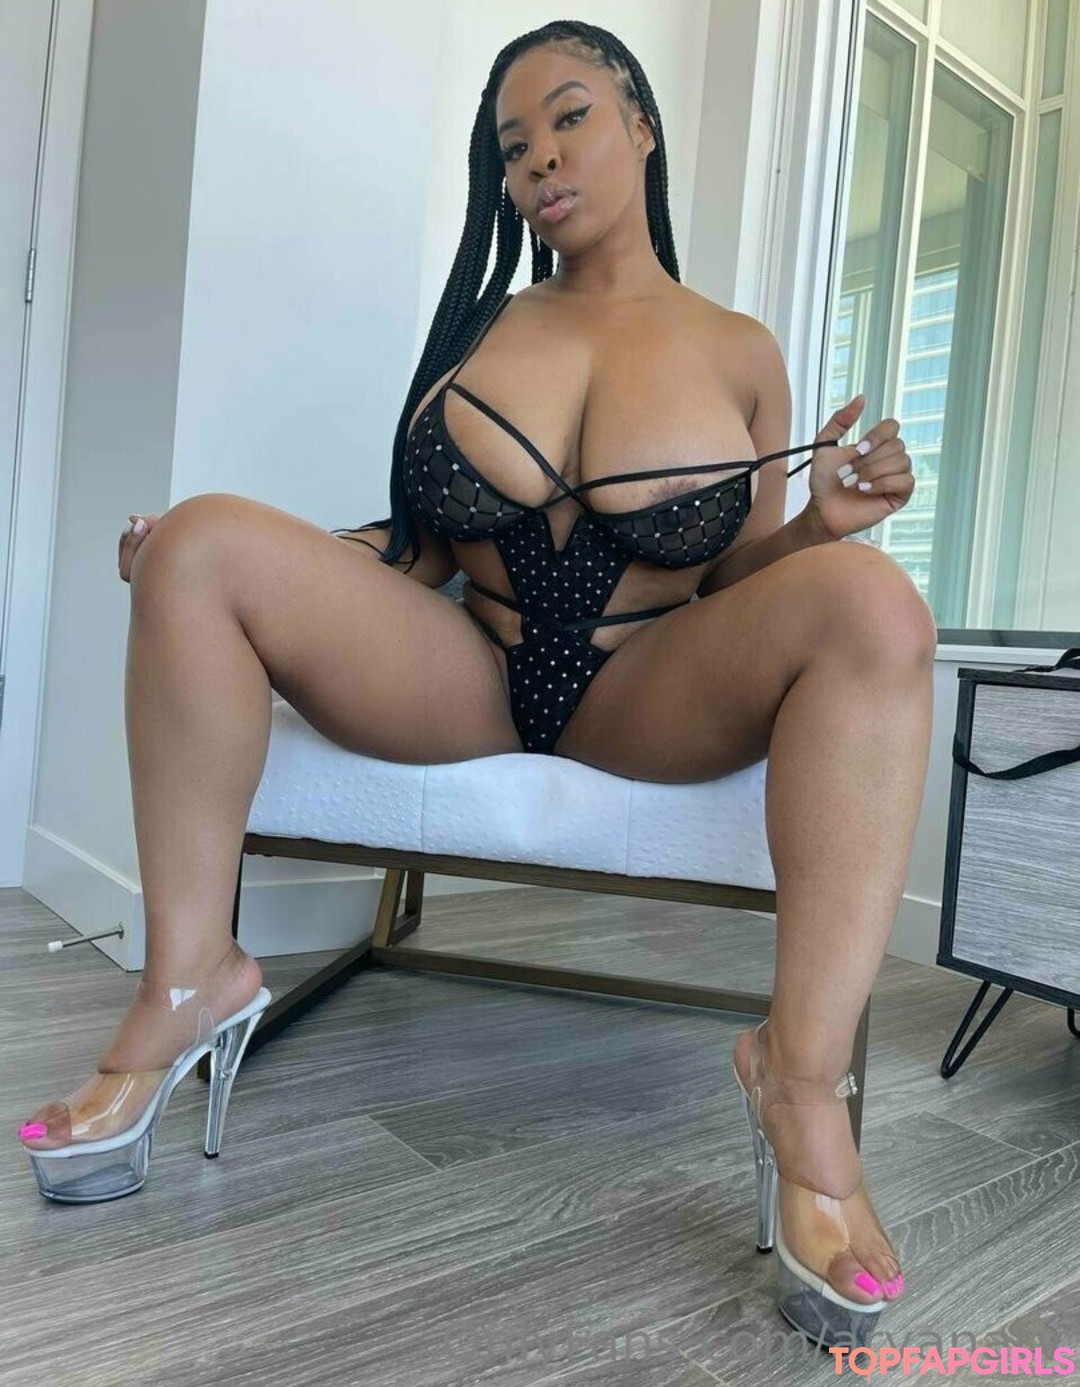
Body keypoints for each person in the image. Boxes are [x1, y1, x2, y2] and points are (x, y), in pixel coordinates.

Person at [18, 18, 933, 1349]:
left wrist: (819, 535)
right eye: (513, 146)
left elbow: (730, 589)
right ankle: (188, 979)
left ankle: (798, 1080)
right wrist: (200, 566)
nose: (539, 159)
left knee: (876, 602)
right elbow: (417, 553)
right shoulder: (479, 328)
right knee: (203, 538)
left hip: (646, 690)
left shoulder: (740, 350)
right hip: (470, 679)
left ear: (641, 123)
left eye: (569, 117)